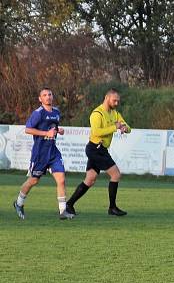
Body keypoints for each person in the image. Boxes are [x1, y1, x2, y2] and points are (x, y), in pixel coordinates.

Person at [65, 88, 130, 216]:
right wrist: (115, 127)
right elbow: (96, 132)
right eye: (114, 100)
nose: (116, 103)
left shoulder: (115, 113)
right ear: (107, 98)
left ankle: (69, 205)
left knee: (90, 179)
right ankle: (112, 208)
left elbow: (129, 128)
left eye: (118, 101)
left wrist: (124, 128)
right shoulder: (97, 114)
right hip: (95, 149)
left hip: (101, 149)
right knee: (116, 175)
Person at [12, 88, 73, 220]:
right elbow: (28, 129)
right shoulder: (38, 113)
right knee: (33, 180)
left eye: (50, 94)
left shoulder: (56, 112)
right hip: (40, 154)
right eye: (44, 95)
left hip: (53, 152)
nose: (48, 97)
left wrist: (58, 130)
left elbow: (52, 127)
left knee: (61, 180)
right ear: (40, 99)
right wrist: (46, 133)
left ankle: (63, 211)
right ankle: (18, 203)